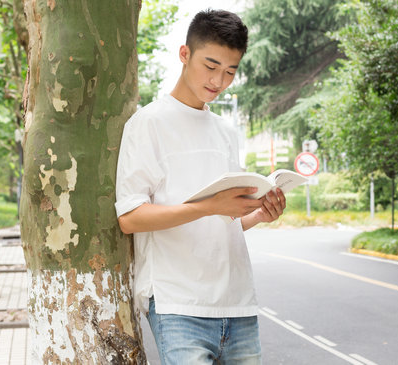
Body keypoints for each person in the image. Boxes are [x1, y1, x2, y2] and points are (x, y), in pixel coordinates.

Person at [114, 9, 285, 364]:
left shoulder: (225, 131)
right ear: (184, 54)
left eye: (230, 71)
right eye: (211, 66)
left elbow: (223, 222)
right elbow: (130, 217)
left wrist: (258, 213)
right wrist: (211, 206)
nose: (219, 81)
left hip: (238, 303)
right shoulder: (148, 123)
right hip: (178, 305)